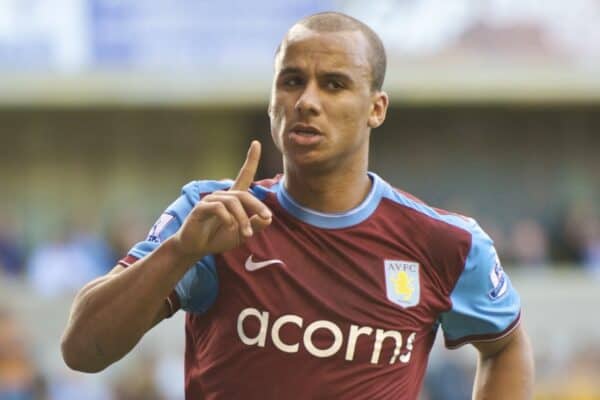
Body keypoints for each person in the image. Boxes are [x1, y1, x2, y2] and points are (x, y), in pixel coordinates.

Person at [61, 11, 534, 399]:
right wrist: (181, 250)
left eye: (333, 84)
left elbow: (505, 347)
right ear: (272, 99)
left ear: (376, 108)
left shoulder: (443, 243)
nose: (306, 101)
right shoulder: (212, 215)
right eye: (291, 81)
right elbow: (82, 349)